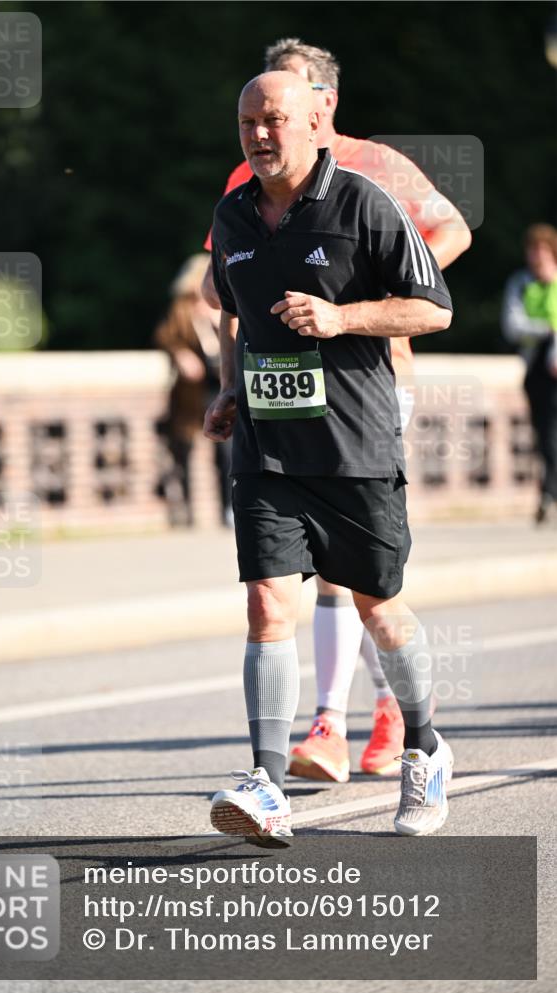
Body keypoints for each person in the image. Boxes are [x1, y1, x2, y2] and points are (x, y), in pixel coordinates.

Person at [202, 38, 471, 783]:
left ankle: (421, 741)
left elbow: (435, 300)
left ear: (318, 111)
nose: (259, 132)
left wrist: (343, 314)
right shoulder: (233, 211)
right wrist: (228, 386)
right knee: (267, 602)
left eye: (275, 117)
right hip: (266, 440)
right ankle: (270, 776)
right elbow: (225, 305)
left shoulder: (369, 186)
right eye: (247, 119)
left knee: (374, 602)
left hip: (356, 430)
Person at [153, 254, 233, 526]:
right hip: (189, 393)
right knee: (182, 450)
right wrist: (180, 354)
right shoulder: (183, 308)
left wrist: (216, 318)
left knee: (225, 451)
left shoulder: (224, 308)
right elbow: (166, 334)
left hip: (217, 384)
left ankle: (228, 509)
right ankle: (185, 510)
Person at [501, 224, 557, 525]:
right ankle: (548, 492)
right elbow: (512, 326)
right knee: (546, 435)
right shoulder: (521, 283)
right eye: (532, 251)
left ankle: (550, 492)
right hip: (538, 368)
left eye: (542, 252)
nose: (536, 258)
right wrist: (546, 330)